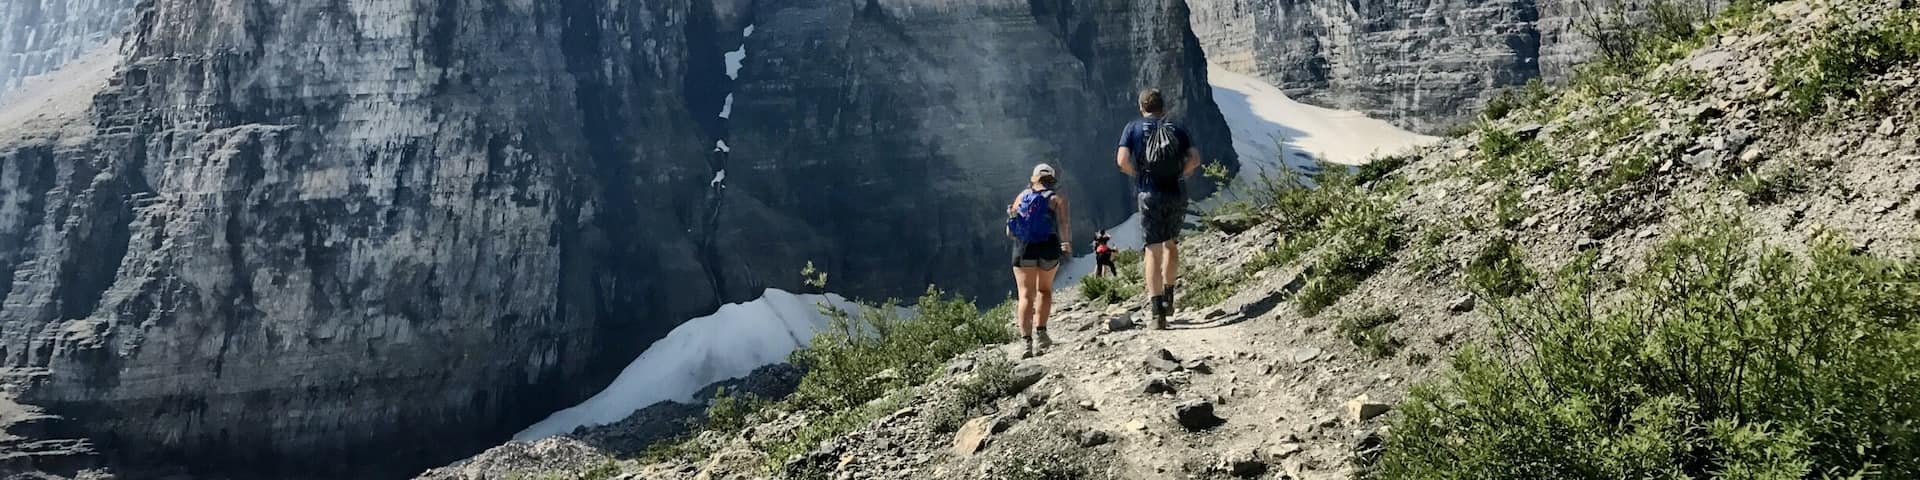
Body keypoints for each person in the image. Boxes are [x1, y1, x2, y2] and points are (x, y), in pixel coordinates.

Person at [1115, 89, 1201, 329]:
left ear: (1142, 106)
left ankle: (1156, 312)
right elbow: (1194, 158)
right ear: (1163, 106)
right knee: (1170, 244)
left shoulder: (1132, 128)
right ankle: (1169, 296)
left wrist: (1138, 174)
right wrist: (1180, 174)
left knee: (1152, 250)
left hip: (1149, 193)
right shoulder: (1178, 127)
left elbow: (1121, 161)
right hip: (1175, 192)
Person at [1006, 164, 1071, 358]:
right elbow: (1062, 223)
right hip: (1048, 247)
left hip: (1024, 247)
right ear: (1052, 179)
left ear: (1034, 178)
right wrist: (1066, 243)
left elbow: (1010, 228)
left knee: (1026, 295)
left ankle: (1026, 343)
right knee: (1044, 290)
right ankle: (1042, 333)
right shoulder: (1056, 198)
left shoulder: (1022, 196)